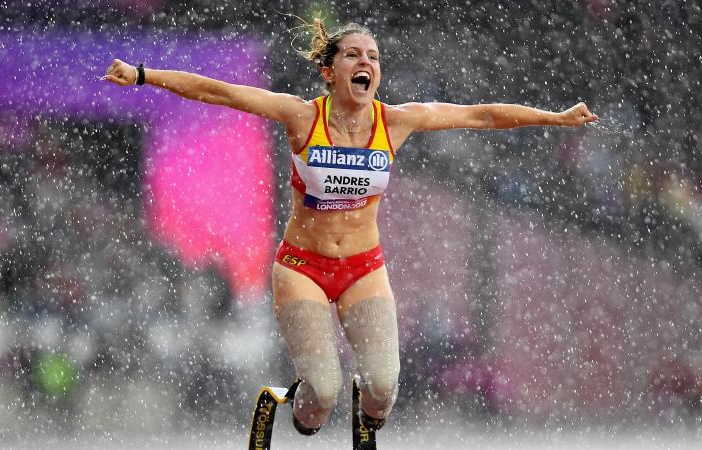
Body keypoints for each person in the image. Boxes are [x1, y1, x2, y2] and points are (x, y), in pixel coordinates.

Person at [104, 19, 598, 436]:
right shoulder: (301, 117)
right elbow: (220, 92)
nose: (367, 63)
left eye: (374, 57)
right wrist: (144, 75)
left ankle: (367, 408)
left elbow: (481, 115)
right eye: (354, 55)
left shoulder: (397, 121)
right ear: (329, 72)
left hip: (364, 268)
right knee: (322, 396)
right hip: (302, 267)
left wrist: (553, 118)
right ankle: (292, 401)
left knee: (383, 390)